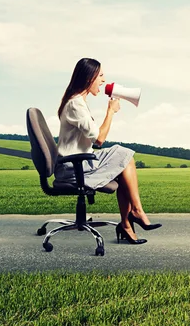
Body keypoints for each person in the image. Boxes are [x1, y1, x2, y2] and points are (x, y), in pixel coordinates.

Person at [56, 57, 161, 245]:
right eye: (101, 76)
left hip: (82, 161)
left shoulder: (78, 102)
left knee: (125, 156)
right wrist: (110, 111)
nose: (103, 81)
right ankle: (133, 216)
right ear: (89, 78)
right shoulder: (75, 105)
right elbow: (100, 139)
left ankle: (129, 221)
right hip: (74, 167)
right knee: (124, 157)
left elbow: (95, 144)